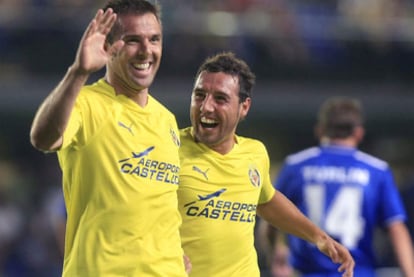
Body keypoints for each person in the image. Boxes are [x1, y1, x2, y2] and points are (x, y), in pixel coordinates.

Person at [29, 0, 189, 276]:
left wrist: (175, 255)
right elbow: (43, 138)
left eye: (154, 39)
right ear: (109, 46)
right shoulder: (85, 103)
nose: (146, 50)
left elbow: (158, 205)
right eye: (132, 40)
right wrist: (78, 72)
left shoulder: (167, 120)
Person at [177, 52, 355, 277]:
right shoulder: (169, 149)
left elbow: (266, 199)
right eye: (199, 95)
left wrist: (319, 238)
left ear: (244, 107)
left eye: (220, 99)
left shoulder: (255, 153)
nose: (206, 107)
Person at [264, 96, 414, 276]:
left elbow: (271, 218)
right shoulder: (377, 171)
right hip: (357, 272)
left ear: (320, 130)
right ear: (358, 133)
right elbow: (396, 228)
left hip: (307, 272)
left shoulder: (295, 166)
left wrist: (275, 253)